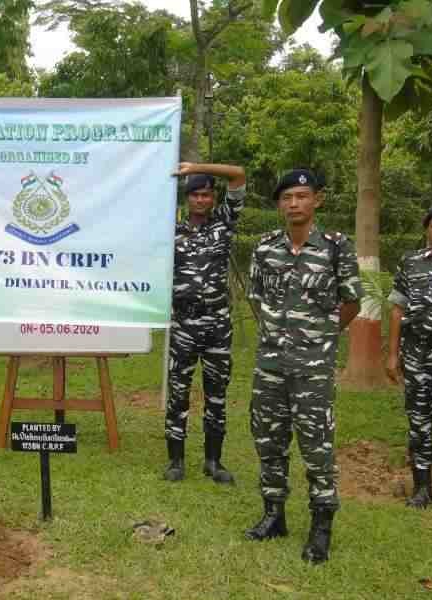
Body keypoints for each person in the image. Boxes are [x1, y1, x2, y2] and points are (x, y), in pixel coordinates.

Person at [244, 169, 363, 564]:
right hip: (270, 363)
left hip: (313, 366)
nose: (294, 204)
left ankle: (321, 526)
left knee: (317, 445)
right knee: (268, 439)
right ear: (279, 205)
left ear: (317, 200)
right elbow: (255, 296)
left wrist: (322, 336)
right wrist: (276, 332)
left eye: (301, 196)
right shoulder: (265, 247)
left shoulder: (335, 247)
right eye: (287, 198)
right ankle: (273, 514)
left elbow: (351, 301)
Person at [163, 162, 246, 485]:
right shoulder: (170, 229)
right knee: (178, 393)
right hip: (183, 321)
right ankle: (176, 461)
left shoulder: (224, 223)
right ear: (187, 199)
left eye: (206, 194)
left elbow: (238, 175)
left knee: (216, 394)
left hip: (217, 323)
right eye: (195, 194)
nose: (201, 200)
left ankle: (213, 460)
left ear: (213, 198)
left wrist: (195, 167)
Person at [387, 203, 432, 512]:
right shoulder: (410, 262)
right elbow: (398, 309)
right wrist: (392, 354)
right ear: (427, 230)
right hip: (417, 356)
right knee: (419, 422)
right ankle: (422, 487)